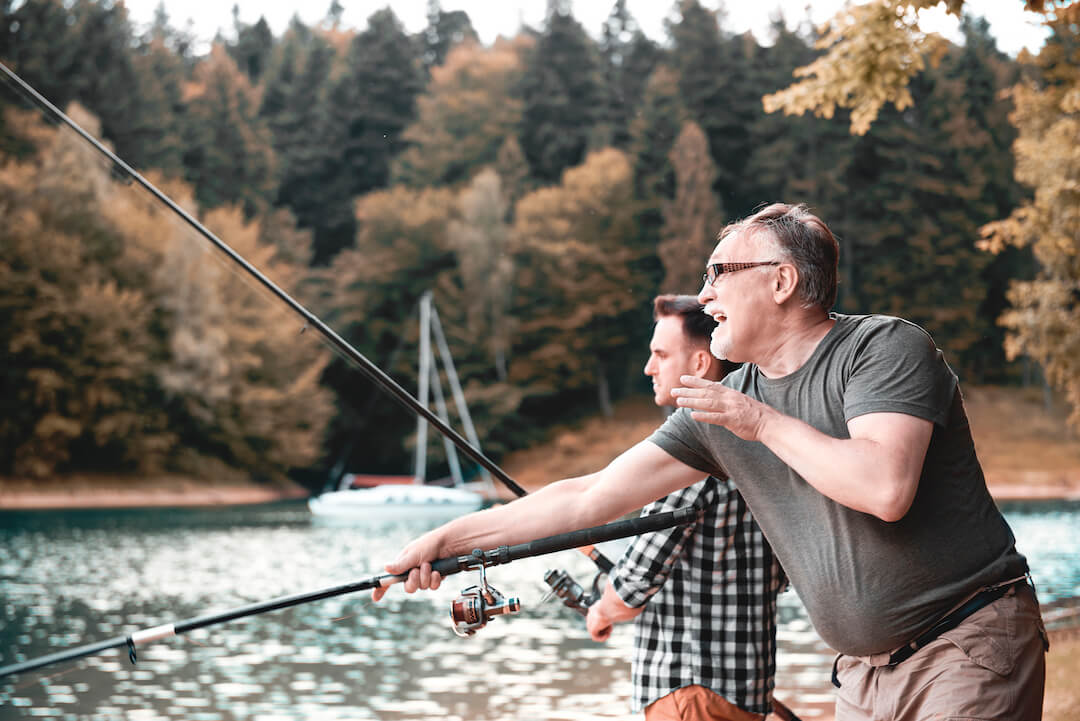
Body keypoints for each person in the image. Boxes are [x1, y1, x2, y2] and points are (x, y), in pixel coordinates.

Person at [375, 203, 1048, 721]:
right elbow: (585, 498)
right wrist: (445, 538)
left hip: (965, 644)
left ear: (782, 281)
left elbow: (883, 485)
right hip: (861, 676)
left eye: (719, 272)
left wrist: (757, 422)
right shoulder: (722, 408)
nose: (706, 293)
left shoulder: (884, 349)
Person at [585, 294, 785, 721]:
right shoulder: (765, 443)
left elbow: (634, 584)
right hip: (747, 691)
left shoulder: (688, 454)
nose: (649, 368)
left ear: (699, 364)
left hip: (688, 692)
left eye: (660, 354)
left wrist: (602, 610)